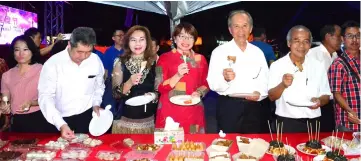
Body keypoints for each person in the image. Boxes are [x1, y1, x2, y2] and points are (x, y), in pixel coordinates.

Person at [207, 10, 269, 133]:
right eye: (236, 26)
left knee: (253, 145)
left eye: (245, 26)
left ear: (250, 28)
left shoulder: (257, 53)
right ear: (230, 29)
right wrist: (224, 78)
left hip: (254, 107)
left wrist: (260, 93)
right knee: (228, 145)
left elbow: (266, 80)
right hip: (229, 107)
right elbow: (212, 83)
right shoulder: (219, 52)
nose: (241, 31)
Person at [38, 27, 105, 139]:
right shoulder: (53, 64)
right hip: (59, 118)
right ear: (69, 44)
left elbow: (99, 85)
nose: (83, 57)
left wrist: (96, 103)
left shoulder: (95, 60)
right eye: (79, 52)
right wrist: (60, 124)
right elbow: (45, 96)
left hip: (87, 116)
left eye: (88, 52)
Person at [268, 25, 332, 133]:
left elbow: (326, 95)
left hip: (313, 121)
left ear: (310, 44)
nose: (301, 45)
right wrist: (283, 85)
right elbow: (271, 96)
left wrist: (319, 101)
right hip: (286, 121)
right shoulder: (277, 65)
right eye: (296, 41)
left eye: (306, 41)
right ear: (289, 43)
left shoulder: (318, 65)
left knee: (313, 150)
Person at [155, 22, 209, 134]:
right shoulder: (163, 59)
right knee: (169, 147)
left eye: (190, 37)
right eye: (182, 36)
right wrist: (178, 75)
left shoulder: (200, 59)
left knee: (193, 146)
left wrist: (199, 92)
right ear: (174, 38)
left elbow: (206, 83)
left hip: (193, 110)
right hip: (170, 111)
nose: (186, 40)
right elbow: (158, 86)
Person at [0, 35, 52, 133]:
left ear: (32, 51)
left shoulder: (42, 70)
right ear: (13, 52)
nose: (21, 53)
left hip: (40, 120)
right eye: (17, 50)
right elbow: (5, 101)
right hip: (17, 123)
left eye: (25, 49)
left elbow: (51, 98)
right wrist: (4, 107)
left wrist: (32, 103)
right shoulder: (7, 75)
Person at [111, 25, 158, 134]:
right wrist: (129, 83)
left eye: (142, 40)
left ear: (147, 43)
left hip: (148, 121)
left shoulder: (154, 62)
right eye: (133, 40)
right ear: (127, 42)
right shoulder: (119, 62)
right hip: (124, 121)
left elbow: (158, 90)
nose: (138, 44)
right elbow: (115, 94)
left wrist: (153, 95)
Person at [308, 24, 342, 132]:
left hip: (333, 104)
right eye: (338, 36)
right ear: (328, 36)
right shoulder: (313, 54)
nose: (341, 40)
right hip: (318, 103)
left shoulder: (336, 55)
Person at [328, 21, 360, 132]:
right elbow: (336, 94)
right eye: (350, 36)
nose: (355, 40)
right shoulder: (338, 64)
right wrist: (350, 111)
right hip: (348, 124)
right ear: (343, 39)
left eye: (358, 36)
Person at [102, 29, 125, 117]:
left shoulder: (128, 51)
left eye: (123, 35)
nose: (122, 37)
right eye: (119, 36)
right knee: (110, 109)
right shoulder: (108, 52)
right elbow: (106, 71)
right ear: (113, 38)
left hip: (125, 83)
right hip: (111, 84)